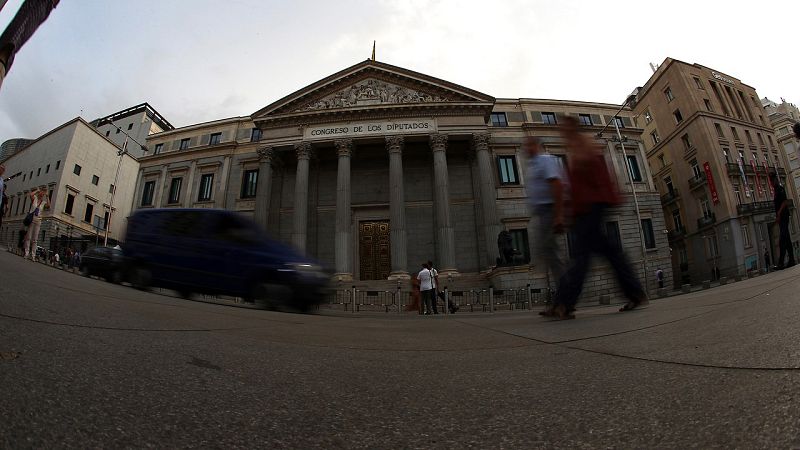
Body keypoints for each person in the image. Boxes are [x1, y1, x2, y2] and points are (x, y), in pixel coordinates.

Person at [547, 116, 647, 320]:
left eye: (563, 127)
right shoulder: (577, 146)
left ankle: (565, 303)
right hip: (588, 206)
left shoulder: (582, 144)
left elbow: (591, 177)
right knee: (609, 251)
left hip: (590, 206)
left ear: (572, 127)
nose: (561, 131)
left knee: (581, 256)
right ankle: (634, 292)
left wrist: (569, 210)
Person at [524, 136, 567, 314]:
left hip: (549, 210)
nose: (526, 149)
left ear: (536, 146)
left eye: (529, 145)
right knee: (550, 256)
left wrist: (558, 214)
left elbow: (557, 185)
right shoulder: (533, 165)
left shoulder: (546, 160)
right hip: (542, 213)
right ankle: (560, 301)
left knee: (554, 258)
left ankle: (564, 301)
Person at [769, 171, 795, 270]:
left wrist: (779, 214)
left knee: (782, 239)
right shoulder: (776, 190)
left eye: (771, 181)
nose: (771, 183)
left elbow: (784, 202)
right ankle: (791, 260)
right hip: (781, 217)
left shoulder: (780, 188)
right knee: (787, 239)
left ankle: (781, 263)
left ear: (775, 180)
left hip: (784, 216)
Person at [23, 188, 49, 261]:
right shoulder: (34, 198)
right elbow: (30, 195)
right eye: (41, 192)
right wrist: (37, 190)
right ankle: (26, 253)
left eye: (43, 193)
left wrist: (47, 196)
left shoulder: (43, 203)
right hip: (31, 219)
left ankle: (33, 255)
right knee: (28, 237)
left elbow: (49, 206)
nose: (42, 194)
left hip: (38, 221)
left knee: (35, 239)